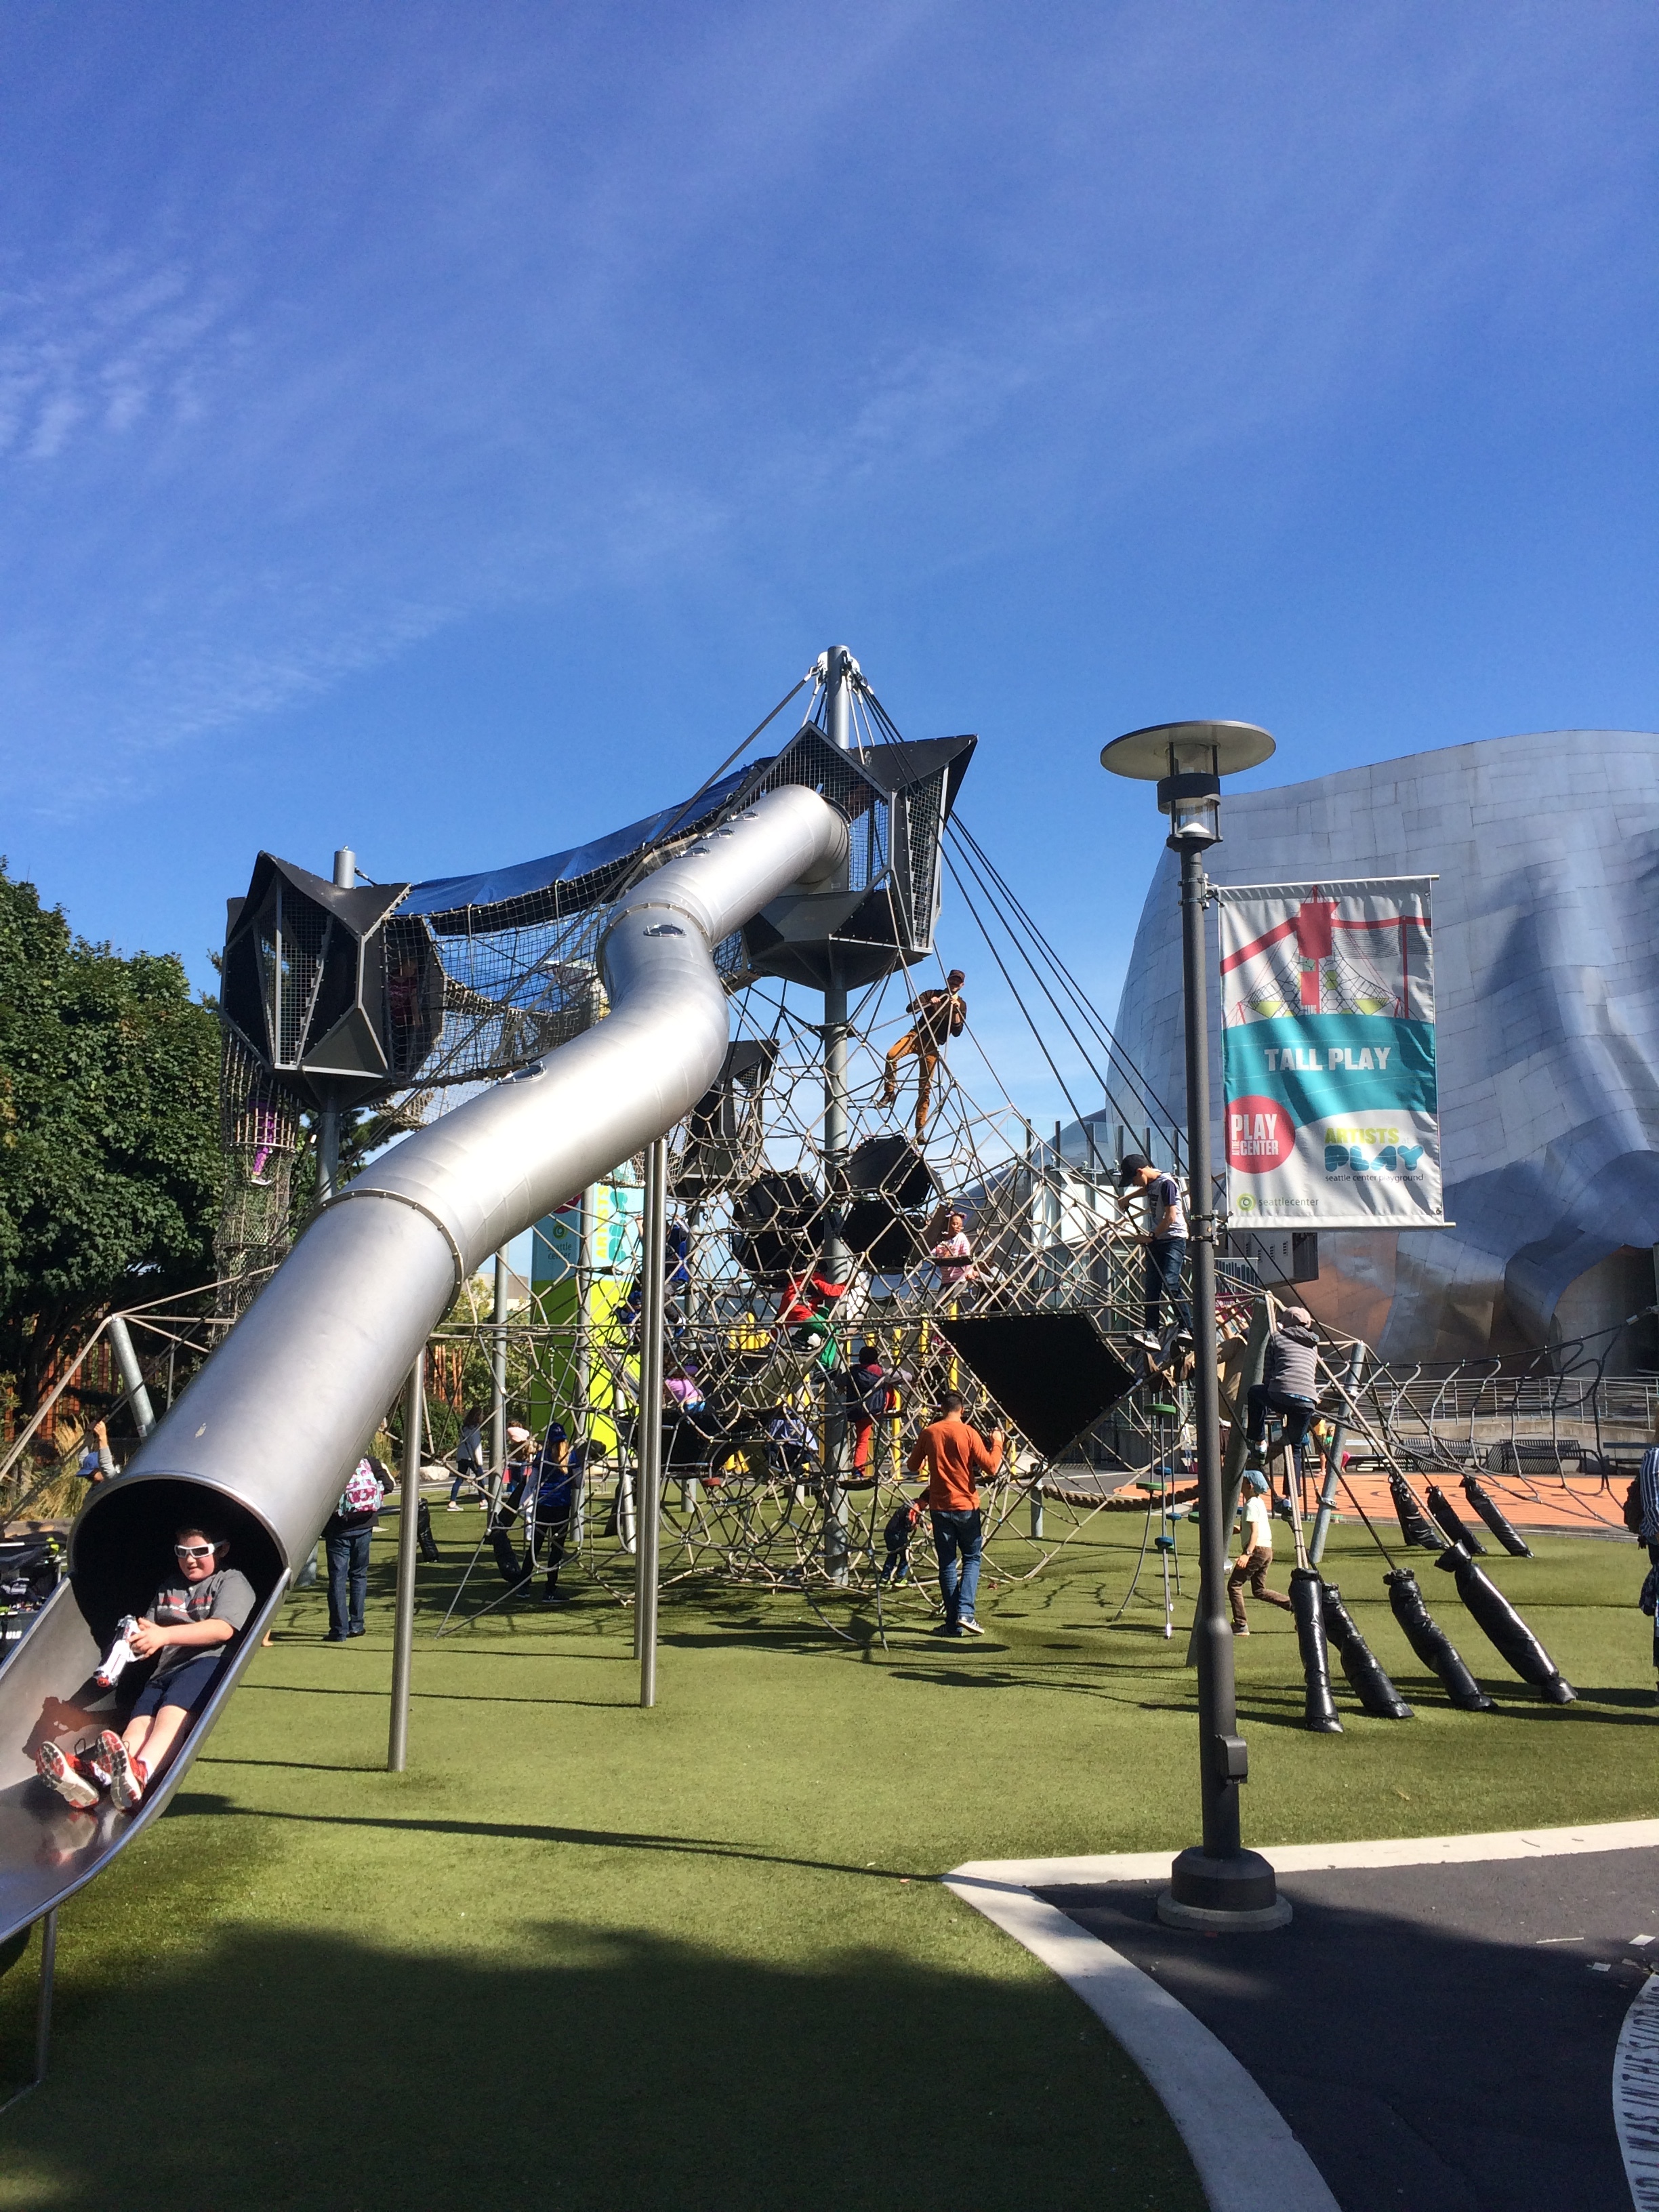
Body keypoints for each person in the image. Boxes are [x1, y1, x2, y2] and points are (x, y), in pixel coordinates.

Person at [35, 1522, 257, 1811]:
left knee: (170, 1714)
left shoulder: (230, 1581)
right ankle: (100, 1778)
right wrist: (128, 1645)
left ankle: (142, 1771)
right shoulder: (169, 1586)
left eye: (199, 1551)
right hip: (163, 1671)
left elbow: (222, 1629)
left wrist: (164, 1635)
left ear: (222, 1549)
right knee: (139, 1723)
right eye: (182, 1552)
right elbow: (149, 1631)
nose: (190, 1559)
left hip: (204, 1663)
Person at [905, 1389, 1004, 1637]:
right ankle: (965, 1613)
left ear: (941, 1409)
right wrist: (998, 1443)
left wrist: (931, 1455)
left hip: (940, 1507)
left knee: (947, 1564)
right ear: (962, 1410)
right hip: (967, 1506)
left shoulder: (930, 1433)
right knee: (971, 1558)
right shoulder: (968, 1433)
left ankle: (952, 1624)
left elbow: (912, 1466)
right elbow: (992, 1467)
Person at [1246, 1305, 1322, 1498]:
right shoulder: (1313, 1345)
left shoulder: (1277, 1337)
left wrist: (1276, 1399)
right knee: (1295, 1446)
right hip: (1307, 1401)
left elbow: (1268, 1374)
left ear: (1286, 1323)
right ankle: (1291, 1497)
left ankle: (1258, 1440)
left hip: (1282, 1392)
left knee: (1255, 1393)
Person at [880, 969, 967, 1137]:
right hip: (917, 1036)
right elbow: (910, 1008)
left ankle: (919, 1128)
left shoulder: (961, 1005)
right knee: (892, 1056)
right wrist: (928, 1003)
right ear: (947, 980)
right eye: (952, 980)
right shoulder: (931, 994)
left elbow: (957, 1032)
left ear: (962, 985)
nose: (955, 984)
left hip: (933, 1046)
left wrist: (956, 1011)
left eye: (958, 982)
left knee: (925, 1087)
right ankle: (889, 1092)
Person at [1117, 1154, 1189, 1350]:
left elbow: (1171, 1217)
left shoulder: (1167, 1183)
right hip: (1159, 1240)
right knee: (1152, 1288)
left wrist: (1151, 1237)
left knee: (1170, 1281)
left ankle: (1187, 1327)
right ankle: (1150, 1332)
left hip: (1173, 1239)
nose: (1133, 1184)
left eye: (1133, 1180)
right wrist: (1127, 1198)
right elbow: (1147, 1189)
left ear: (1140, 1172)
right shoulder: (1153, 1182)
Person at [323, 1456, 384, 1640]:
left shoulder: (331, 1463)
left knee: (338, 1580)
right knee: (359, 1576)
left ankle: (339, 1630)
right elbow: (387, 1484)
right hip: (365, 1526)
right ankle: (357, 1625)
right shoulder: (369, 1461)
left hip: (338, 1529)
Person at [1228, 1470, 1291, 1635]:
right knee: (1259, 1590)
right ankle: (1297, 1608)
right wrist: (1232, 1530)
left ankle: (1241, 1625)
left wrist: (1247, 1554)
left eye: (1243, 1481)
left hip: (1256, 1550)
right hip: (1267, 1550)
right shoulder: (1258, 1502)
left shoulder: (1250, 1505)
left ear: (1249, 1485)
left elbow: (1254, 1532)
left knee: (1234, 1585)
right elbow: (1248, 1529)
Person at [524, 1417, 575, 1605]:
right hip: (561, 1505)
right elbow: (578, 1482)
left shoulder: (542, 1456)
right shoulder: (571, 1455)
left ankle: (524, 1585)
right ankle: (550, 1589)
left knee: (535, 1546)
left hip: (543, 1504)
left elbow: (534, 1479)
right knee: (556, 1550)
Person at [846, 1344, 890, 1475]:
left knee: (862, 1441)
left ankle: (858, 1469)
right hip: (876, 1408)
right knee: (889, 1385)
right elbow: (897, 1377)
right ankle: (891, 1406)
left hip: (858, 1410)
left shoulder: (853, 1371)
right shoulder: (878, 1370)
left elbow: (839, 1381)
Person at [928, 1208, 977, 1299]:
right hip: (946, 1279)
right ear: (947, 1225)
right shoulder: (940, 1241)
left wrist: (969, 1273)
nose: (958, 1227)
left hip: (959, 1278)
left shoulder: (961, 1238)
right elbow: (932, 1254)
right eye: (955, 1224)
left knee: (942, 1303)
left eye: (961, 1226)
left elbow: (967, 1257)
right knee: (936, 1303)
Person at [450, 1406, 485, 1509]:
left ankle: (452, 1502)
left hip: (462, 1456)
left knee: (459, 1480)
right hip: (471, 1458)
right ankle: (483, 1500)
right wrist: (479, 1462)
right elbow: (476, 1445)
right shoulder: (475, 1430)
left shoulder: (464, 1428)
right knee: (480, 1478)